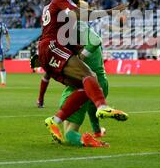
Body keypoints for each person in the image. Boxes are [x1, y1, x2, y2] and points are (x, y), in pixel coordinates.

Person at [37, 0, 128, 143]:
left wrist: (75, 49)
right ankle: (102, 107)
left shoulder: (55, 6)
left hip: (51, 48)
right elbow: (81, 15)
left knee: (86, 87)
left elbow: (59, 30)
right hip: (51, 47)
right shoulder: (60, 0)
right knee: (90, 75)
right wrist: (111, 11)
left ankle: (54, 121)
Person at [32, 11, 108, 147]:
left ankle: (58, 121)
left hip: (78, 88)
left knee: (71, 131)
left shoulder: (69, 33)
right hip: (92, 84)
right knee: (88, 114)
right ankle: (89, 130)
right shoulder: (82, 33)